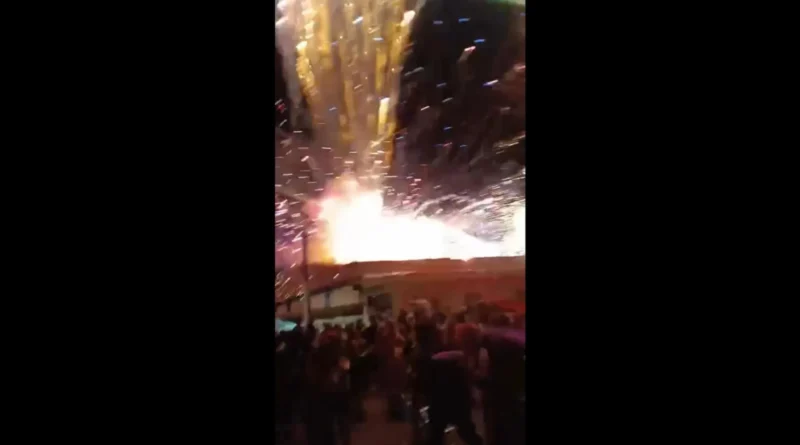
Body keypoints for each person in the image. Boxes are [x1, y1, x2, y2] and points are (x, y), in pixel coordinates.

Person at [426, 349, 483, 445]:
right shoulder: (460, 360)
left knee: (436, 434)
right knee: (466, 430)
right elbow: (467, 379)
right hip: (457, 400)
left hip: (440, 400)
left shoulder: (435, 362)